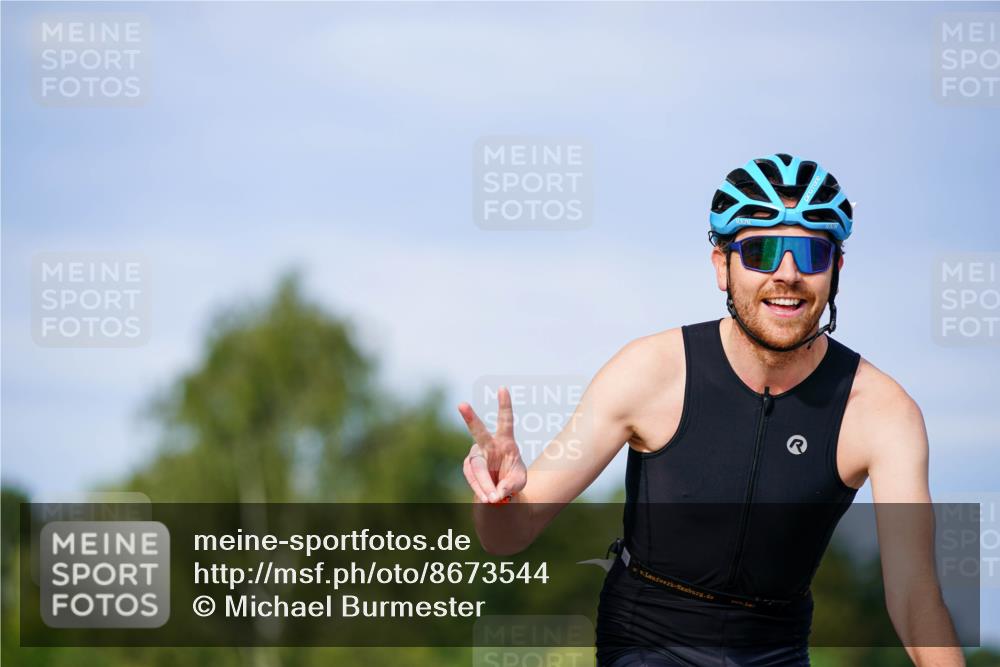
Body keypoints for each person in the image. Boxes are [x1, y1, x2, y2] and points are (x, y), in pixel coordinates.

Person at [458, 154, 964, 667]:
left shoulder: (882, 412)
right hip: (646, 643)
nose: (788, 274)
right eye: (762, 252)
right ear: (722, 266)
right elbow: (510, 535)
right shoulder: (648, 372)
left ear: (836, 270)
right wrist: (498, 501)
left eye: (812, 254)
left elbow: (915, 597)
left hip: (777, 653)